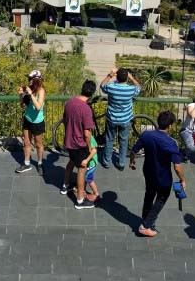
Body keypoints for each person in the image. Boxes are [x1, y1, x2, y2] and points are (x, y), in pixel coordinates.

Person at [130, 110, 186, 238]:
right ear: (170, 125)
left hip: (148, 172)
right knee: (161, 198)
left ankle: (145, 219)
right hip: (163, 177)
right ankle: (146, 225)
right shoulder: (171, 143)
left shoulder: (146, 135)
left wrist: (132, 162)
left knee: (149, 195)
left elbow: (134, 150)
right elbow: (177, 167)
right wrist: (182, 180)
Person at [60, 80, 97, 210]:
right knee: (82, 169)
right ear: (92, 93)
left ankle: (65, 185)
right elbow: (87, 133)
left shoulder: (69, 103)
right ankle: (80, 200)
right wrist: (89, 147)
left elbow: (64, 120)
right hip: (79, 144)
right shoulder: (86, 109)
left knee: (71, 161)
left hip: (69, 141)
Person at [98, 66, 141, 170]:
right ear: (126, 78)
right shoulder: (131, 89)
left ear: (117, 78)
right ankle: (121, 163)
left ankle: (106, 161)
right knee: (123, 141)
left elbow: (102, 85)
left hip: (112, 119)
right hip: (125, 120)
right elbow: (139, 87)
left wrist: (110, 75)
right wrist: (131, 78)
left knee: (109, 139)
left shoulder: (112, 87)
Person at [15, 70, 46, 175]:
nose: (28, 81)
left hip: (37, 122)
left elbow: (38, 107)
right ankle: (26, 163)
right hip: (27, 119)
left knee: (38, 144)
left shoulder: (41, 91)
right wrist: (20, 95)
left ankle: (40, 163)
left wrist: (31, 94)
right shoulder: (29, 89)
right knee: (26, 142)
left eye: (30, 79)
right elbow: (22, 105)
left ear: (36, 80)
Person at [83, 133, 100, 202]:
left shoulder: (90, 137)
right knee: (85, 176)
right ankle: (83, 189)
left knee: (89, 178)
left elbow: (94, 150)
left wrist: (86, 160)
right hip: (89, 163)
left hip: (91, 163)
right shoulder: (84, 135)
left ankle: (96, 194)